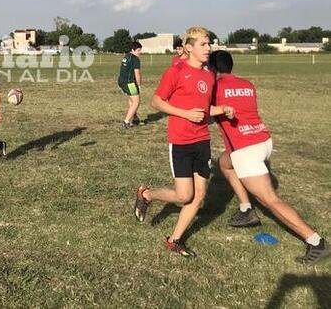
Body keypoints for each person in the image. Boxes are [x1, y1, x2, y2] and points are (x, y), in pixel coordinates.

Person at [208, 50, 329, 265]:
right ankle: (246, 210)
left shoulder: (215, 88)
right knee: (224, 164)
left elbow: (204, 111)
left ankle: (316, 242)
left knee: (270, 200)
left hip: (245, 149)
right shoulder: (247, 84)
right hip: (263, 140)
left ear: (212, 69)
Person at [133, 27, 234, 257]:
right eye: (203, 44)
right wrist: (185, 114)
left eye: (209, 44)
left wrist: (222, 109)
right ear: (189, 47)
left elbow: (204, 108)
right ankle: (147, 195)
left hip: (202, 141)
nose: (208, 48)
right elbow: (157, 102)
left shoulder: (209, 75)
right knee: (183, 196)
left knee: (199, 195)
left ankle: (174, 239)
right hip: (180, 141)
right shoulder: (175, 72)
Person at [118, 41, 143, 128]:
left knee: (131, 100)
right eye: (138, 50)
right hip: (130, 83)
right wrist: (139, 85)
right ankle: (126, 122)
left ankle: (134, 119)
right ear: (133, 50)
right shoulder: (135, 59)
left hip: (121, 81)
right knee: (136, 101)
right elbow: (137, 74)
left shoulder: (126, 56)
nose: (140, 52)